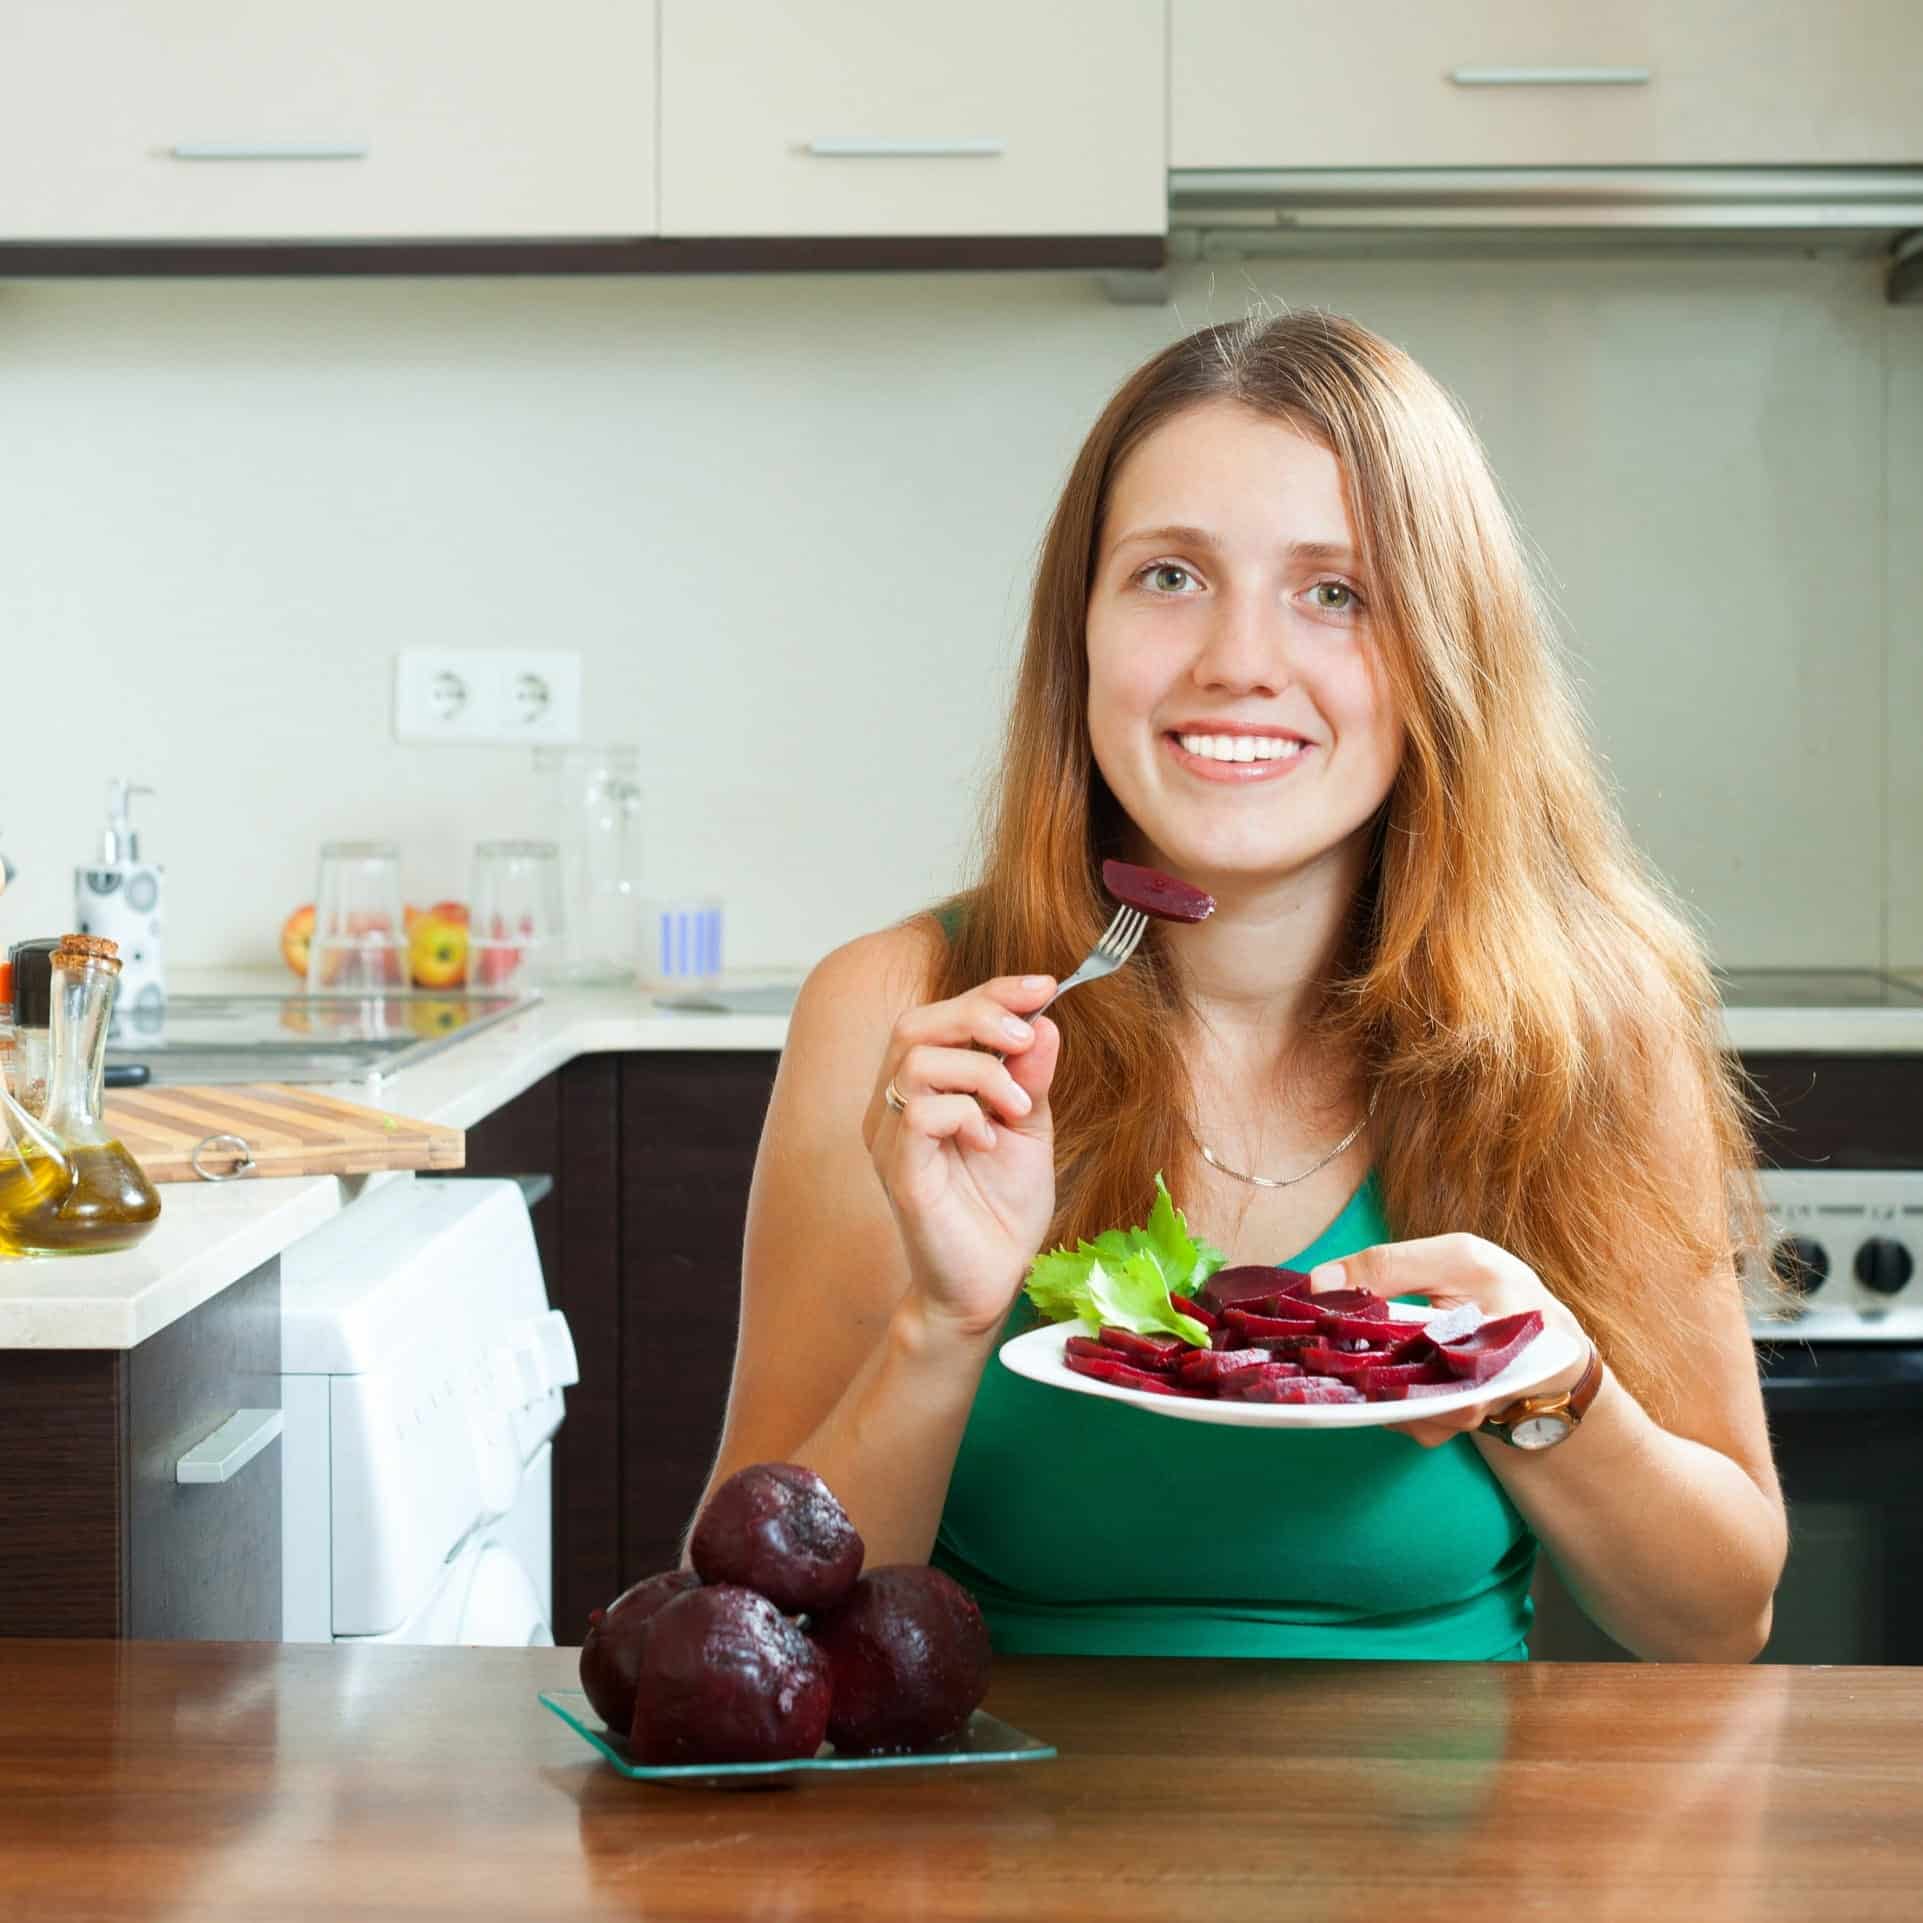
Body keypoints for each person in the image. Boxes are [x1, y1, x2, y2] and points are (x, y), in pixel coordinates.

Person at [698, 309, 1787, 1661]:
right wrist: (942, 1325)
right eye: (1170, 576)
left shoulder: (1597, 1025)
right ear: (1079, 632)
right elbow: (754, 1624)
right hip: (1002, 1791)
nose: (1239, 661)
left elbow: (1715, 1623)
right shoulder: (897, 1011)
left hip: (1456, 1805)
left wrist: (1540, 1388)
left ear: (1448, 653)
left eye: (1337, 593)